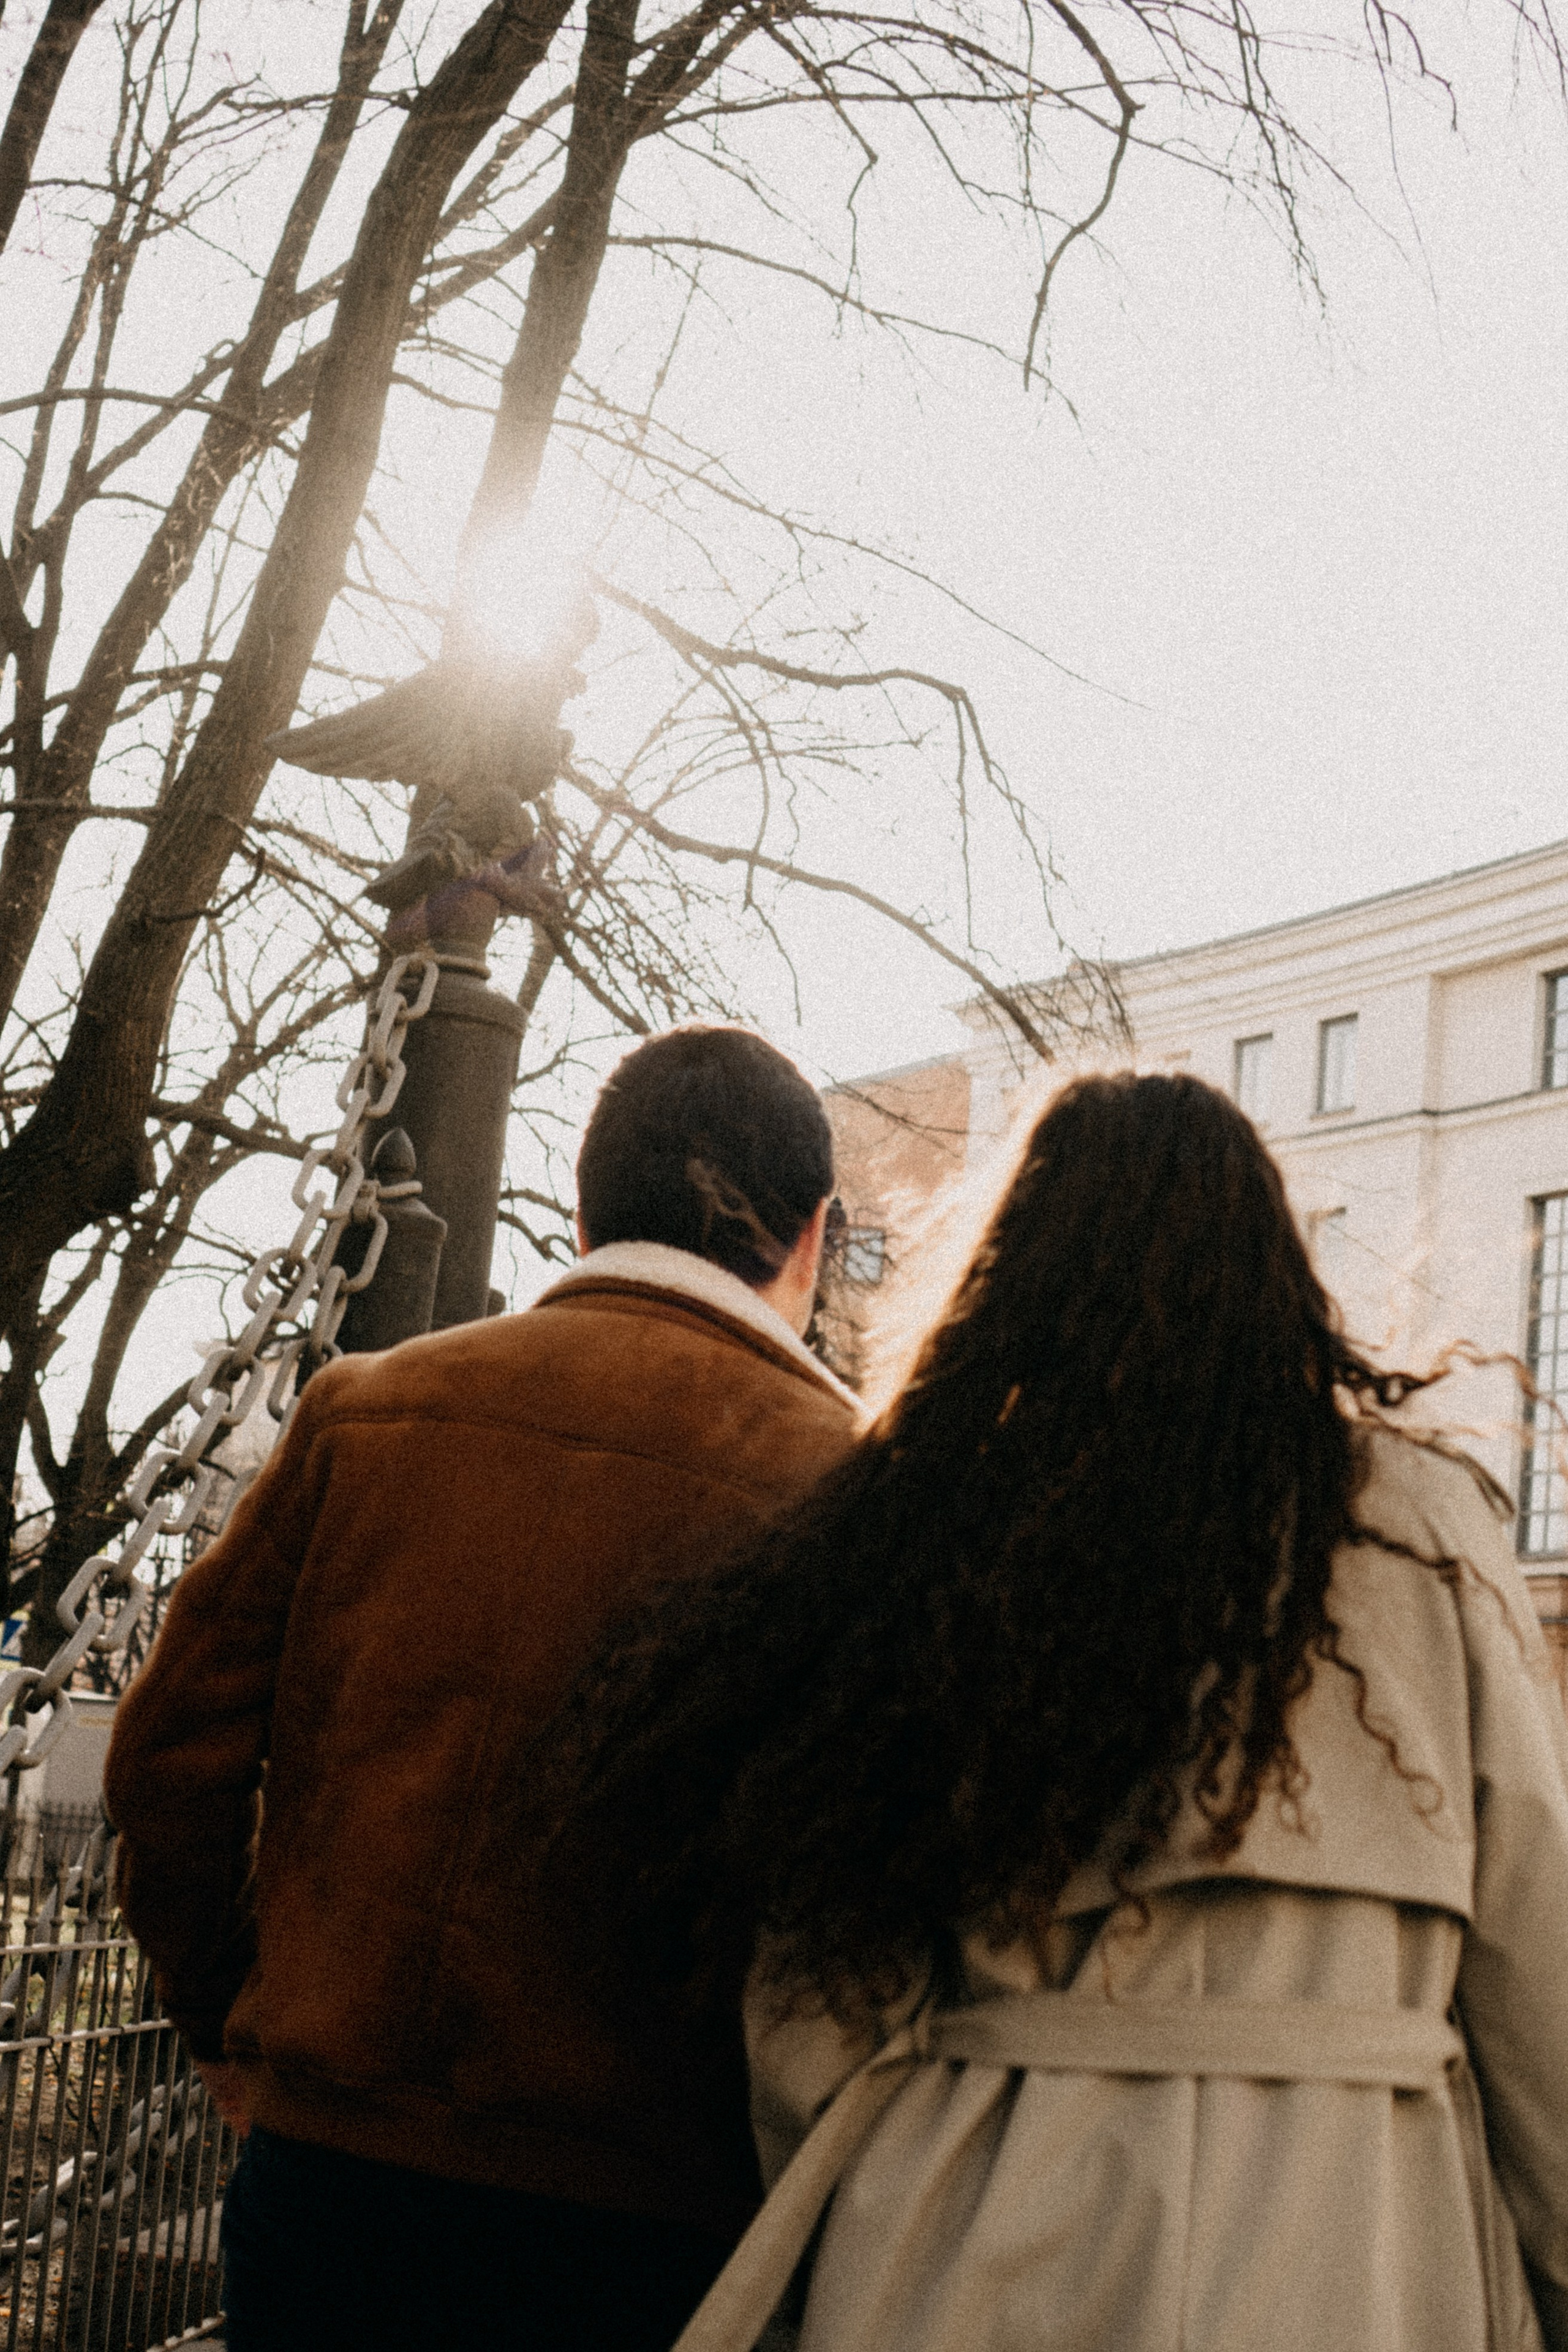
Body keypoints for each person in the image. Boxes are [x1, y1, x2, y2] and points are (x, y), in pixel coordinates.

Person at [548, 1069, 1568, 2352]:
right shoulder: (1424, 1529)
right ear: (1277, 1275)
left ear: (1011, 1277)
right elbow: (1537, 1957)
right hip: (1360, 2229)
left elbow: (815, 2005)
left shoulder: (925, 1517)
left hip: (976, 2219)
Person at [104, 1023, 860, 2352]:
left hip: (332, 2177)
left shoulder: (365, 1412)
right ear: (812, 1235)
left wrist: (227, 2014)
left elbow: (168, 1757)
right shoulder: (845, 1487)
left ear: (583, 1209)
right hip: (656, 2217)